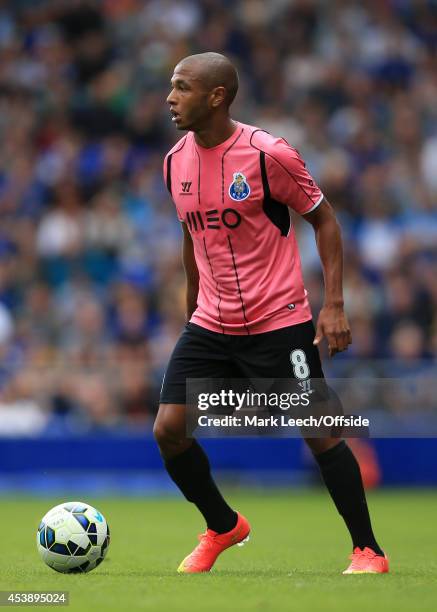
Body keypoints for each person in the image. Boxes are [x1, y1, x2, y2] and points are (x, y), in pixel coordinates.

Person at [154, 52, 388, 575]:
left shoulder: (267, 154)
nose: (171, 97)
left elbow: (325, 221)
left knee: (320, 428)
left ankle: (368, 550)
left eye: (182, 87)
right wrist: (192, 310)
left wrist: (333, 304)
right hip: (210, 324)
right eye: (172, 87)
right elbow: (192, 238)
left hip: (279, 321)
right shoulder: (174, 161)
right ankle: (222, 525)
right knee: (169, 429)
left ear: (217, 96)